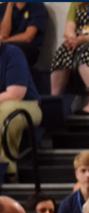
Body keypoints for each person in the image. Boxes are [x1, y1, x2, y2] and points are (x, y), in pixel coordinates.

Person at [0, 24, 38, 178]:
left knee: (5, 110)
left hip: (27, 105)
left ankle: (6, 167)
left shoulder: (13, 54)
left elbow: (15, 94)